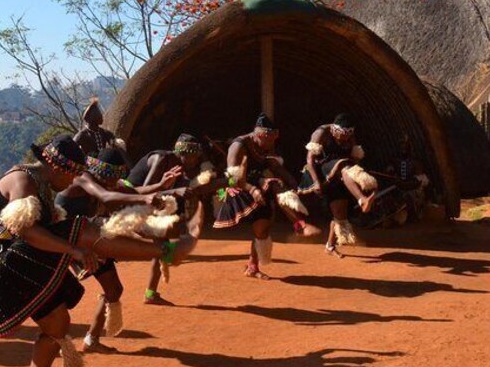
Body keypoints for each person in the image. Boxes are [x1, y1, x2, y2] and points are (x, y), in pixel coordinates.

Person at [0, 135, 202, 367]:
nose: (72, 183)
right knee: (82, 229)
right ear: (60, 168)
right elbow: (26, 230)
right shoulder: (22, 180)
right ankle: (167, 251)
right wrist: (73, 250)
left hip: (19, 260)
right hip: (4, 262)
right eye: (72, 175)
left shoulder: (42, 183)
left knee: (58, 323)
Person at [56, 148, 183, 353]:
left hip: (88, 239)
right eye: (110, 180)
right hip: (62, 240)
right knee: (59, 298)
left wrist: (160, 186)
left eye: (115, 180)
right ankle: (55, 342)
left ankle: (91, 340)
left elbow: (130, 192)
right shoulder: (83, 178)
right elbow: (106, 196)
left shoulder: (107, 183)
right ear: (101, 173)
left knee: (114, 290)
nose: (112, 184)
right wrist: (143, 200)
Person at [214, 113, 319, 280]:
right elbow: (232, 178)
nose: (271, 144)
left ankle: (252, 266)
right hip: (238, 186)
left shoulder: (267, 143)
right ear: (258, 135)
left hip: (258, 181)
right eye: (268, 140)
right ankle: (299, 225)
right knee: (273, 184)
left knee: (262, 227)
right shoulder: (238, 145)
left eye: (273, 140)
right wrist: (252, 189)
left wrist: (293, 183)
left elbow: (275, 166)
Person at [126, 133, 217, 304]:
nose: (193, 161)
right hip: (128, 204)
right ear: (181, 153)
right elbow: (143, 191)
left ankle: (151, 293)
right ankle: (156, 282)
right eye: (190, 157)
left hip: (149, 206)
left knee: (163, 243)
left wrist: (227, 183)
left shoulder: (180, 166)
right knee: (163, 245)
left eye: (195, 158)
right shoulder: (162, 159)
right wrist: (171, 191)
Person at [298, 113, 379, 257]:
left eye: (348, 136)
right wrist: (316, 182)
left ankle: (330, 246)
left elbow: (355, 159)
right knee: (344, 165)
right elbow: (309, 159)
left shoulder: (350, 138)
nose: (344, 139)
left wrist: (360, 176)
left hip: (341, 176)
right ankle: (362, 200)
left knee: (339, 213)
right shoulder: (322, 133)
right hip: (321, 171)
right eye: (342, 135)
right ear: (335, 130)